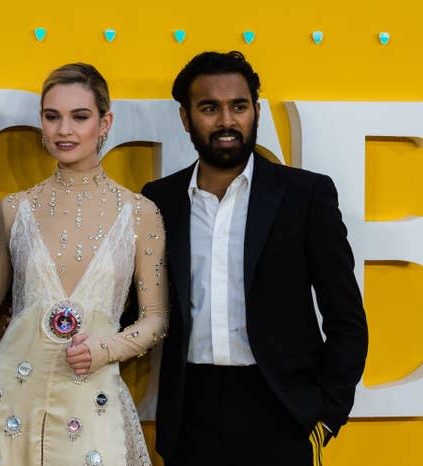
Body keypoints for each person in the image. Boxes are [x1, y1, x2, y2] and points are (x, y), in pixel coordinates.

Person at [143, 51, 368, 466]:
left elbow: (347, 318)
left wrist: (327, 414)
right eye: (209, 108)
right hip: (190, 411)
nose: (227, 121)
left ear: (256, 111)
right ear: (185, 118)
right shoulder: (160, 200)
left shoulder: (306, 196)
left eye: (239, 106)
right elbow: (142, 304)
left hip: (281, 409)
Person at [0, 63, 169, 466]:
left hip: (93, 394)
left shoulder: (141, 213)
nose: (64, 130)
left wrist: (106, 348)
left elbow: (156, 318)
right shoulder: (11, 211)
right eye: (52, 117)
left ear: (105, 122)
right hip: (11, 400)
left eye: (79, 117)